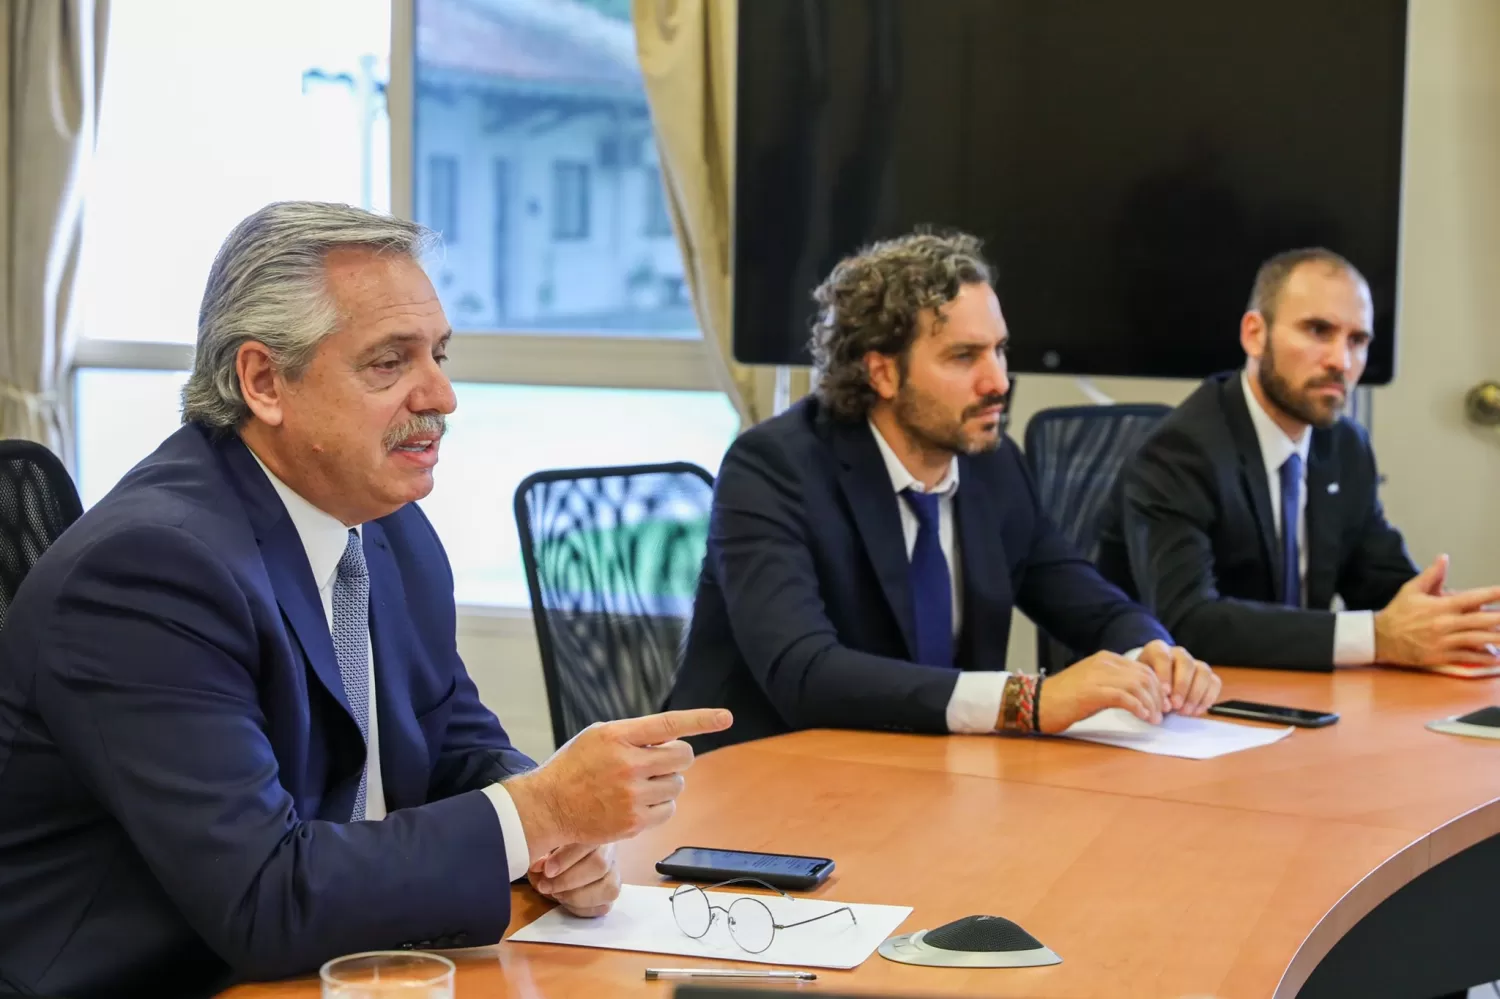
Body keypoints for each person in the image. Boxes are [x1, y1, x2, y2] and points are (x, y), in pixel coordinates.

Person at [0, 202, 732, 999]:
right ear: (263, 380)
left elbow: (452, 741)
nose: (442, 395)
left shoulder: (391, 531)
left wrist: (557, 833)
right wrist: (535, 814)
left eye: (441, 355)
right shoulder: (148, 572)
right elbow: (265, 894)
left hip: (340, 964)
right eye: (390, 362)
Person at [668, 230, 1219, 753]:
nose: (999, 380)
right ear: (882, 373)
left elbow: (1087, 603)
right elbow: (805, 671)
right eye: (965, 356)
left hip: (915, 777)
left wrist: (1150, 651)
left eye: (1000, 351)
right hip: (754, 788)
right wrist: (1024, 701)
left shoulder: (994, 466)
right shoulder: (774, 467)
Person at [1097, 247, 1500, 670]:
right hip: (1178, 708)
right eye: (1318, 331)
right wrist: (1378, 637)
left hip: (1304, 697)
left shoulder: (1344, 446)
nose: (1340, 361)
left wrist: (1447, 626)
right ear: (1255, 334)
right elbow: (1187, 621)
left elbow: (1382, 585)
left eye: (1357, 340)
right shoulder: (1179, 452)